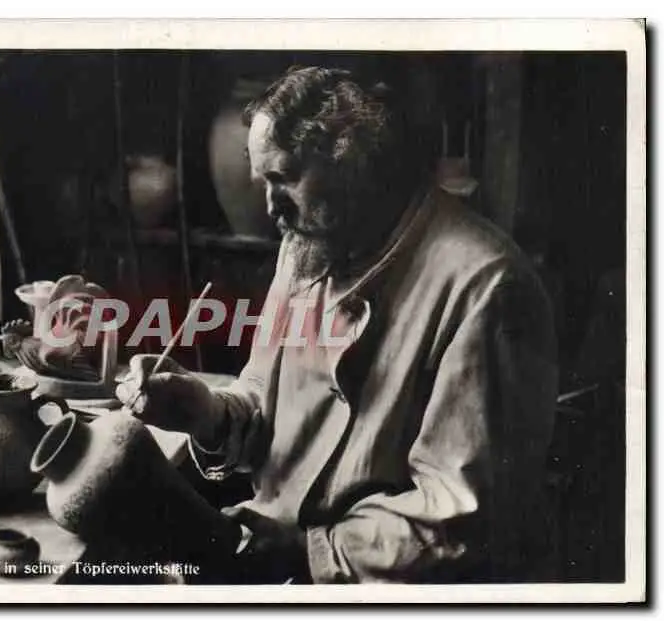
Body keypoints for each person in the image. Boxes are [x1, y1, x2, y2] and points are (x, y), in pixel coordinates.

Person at [115, 66, 558, 584]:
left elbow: (459, 519)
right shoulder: (309, 242)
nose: (270, 206)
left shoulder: (487, 288)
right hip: (287, 556)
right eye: (263, 182)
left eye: (284, 178)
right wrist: (204, 412)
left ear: (353, 163)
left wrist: (308, 552)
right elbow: (262, 402)